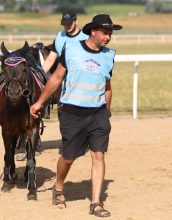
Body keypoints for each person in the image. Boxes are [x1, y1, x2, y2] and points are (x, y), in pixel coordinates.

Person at [30, 14, 122, 217]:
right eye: (105, 33)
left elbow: (107, 86)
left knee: (99, 155)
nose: (108, 37)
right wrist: (39, 102)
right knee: (69, 157)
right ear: (93, 31)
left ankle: (96, 203)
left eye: (110, 34)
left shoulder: (109, 55)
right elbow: (56, 78)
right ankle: (59, 187)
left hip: (98, 113)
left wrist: (106, 110)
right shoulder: (71, 49)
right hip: (72, 112)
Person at [42, 11, 88, 75]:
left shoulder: (86, 37)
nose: (67, 26)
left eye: (69, 23)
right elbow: (50, 60)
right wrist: (40, 75)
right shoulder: (60, 36)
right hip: (65, 81)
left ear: (76, 21)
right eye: (65, 24)